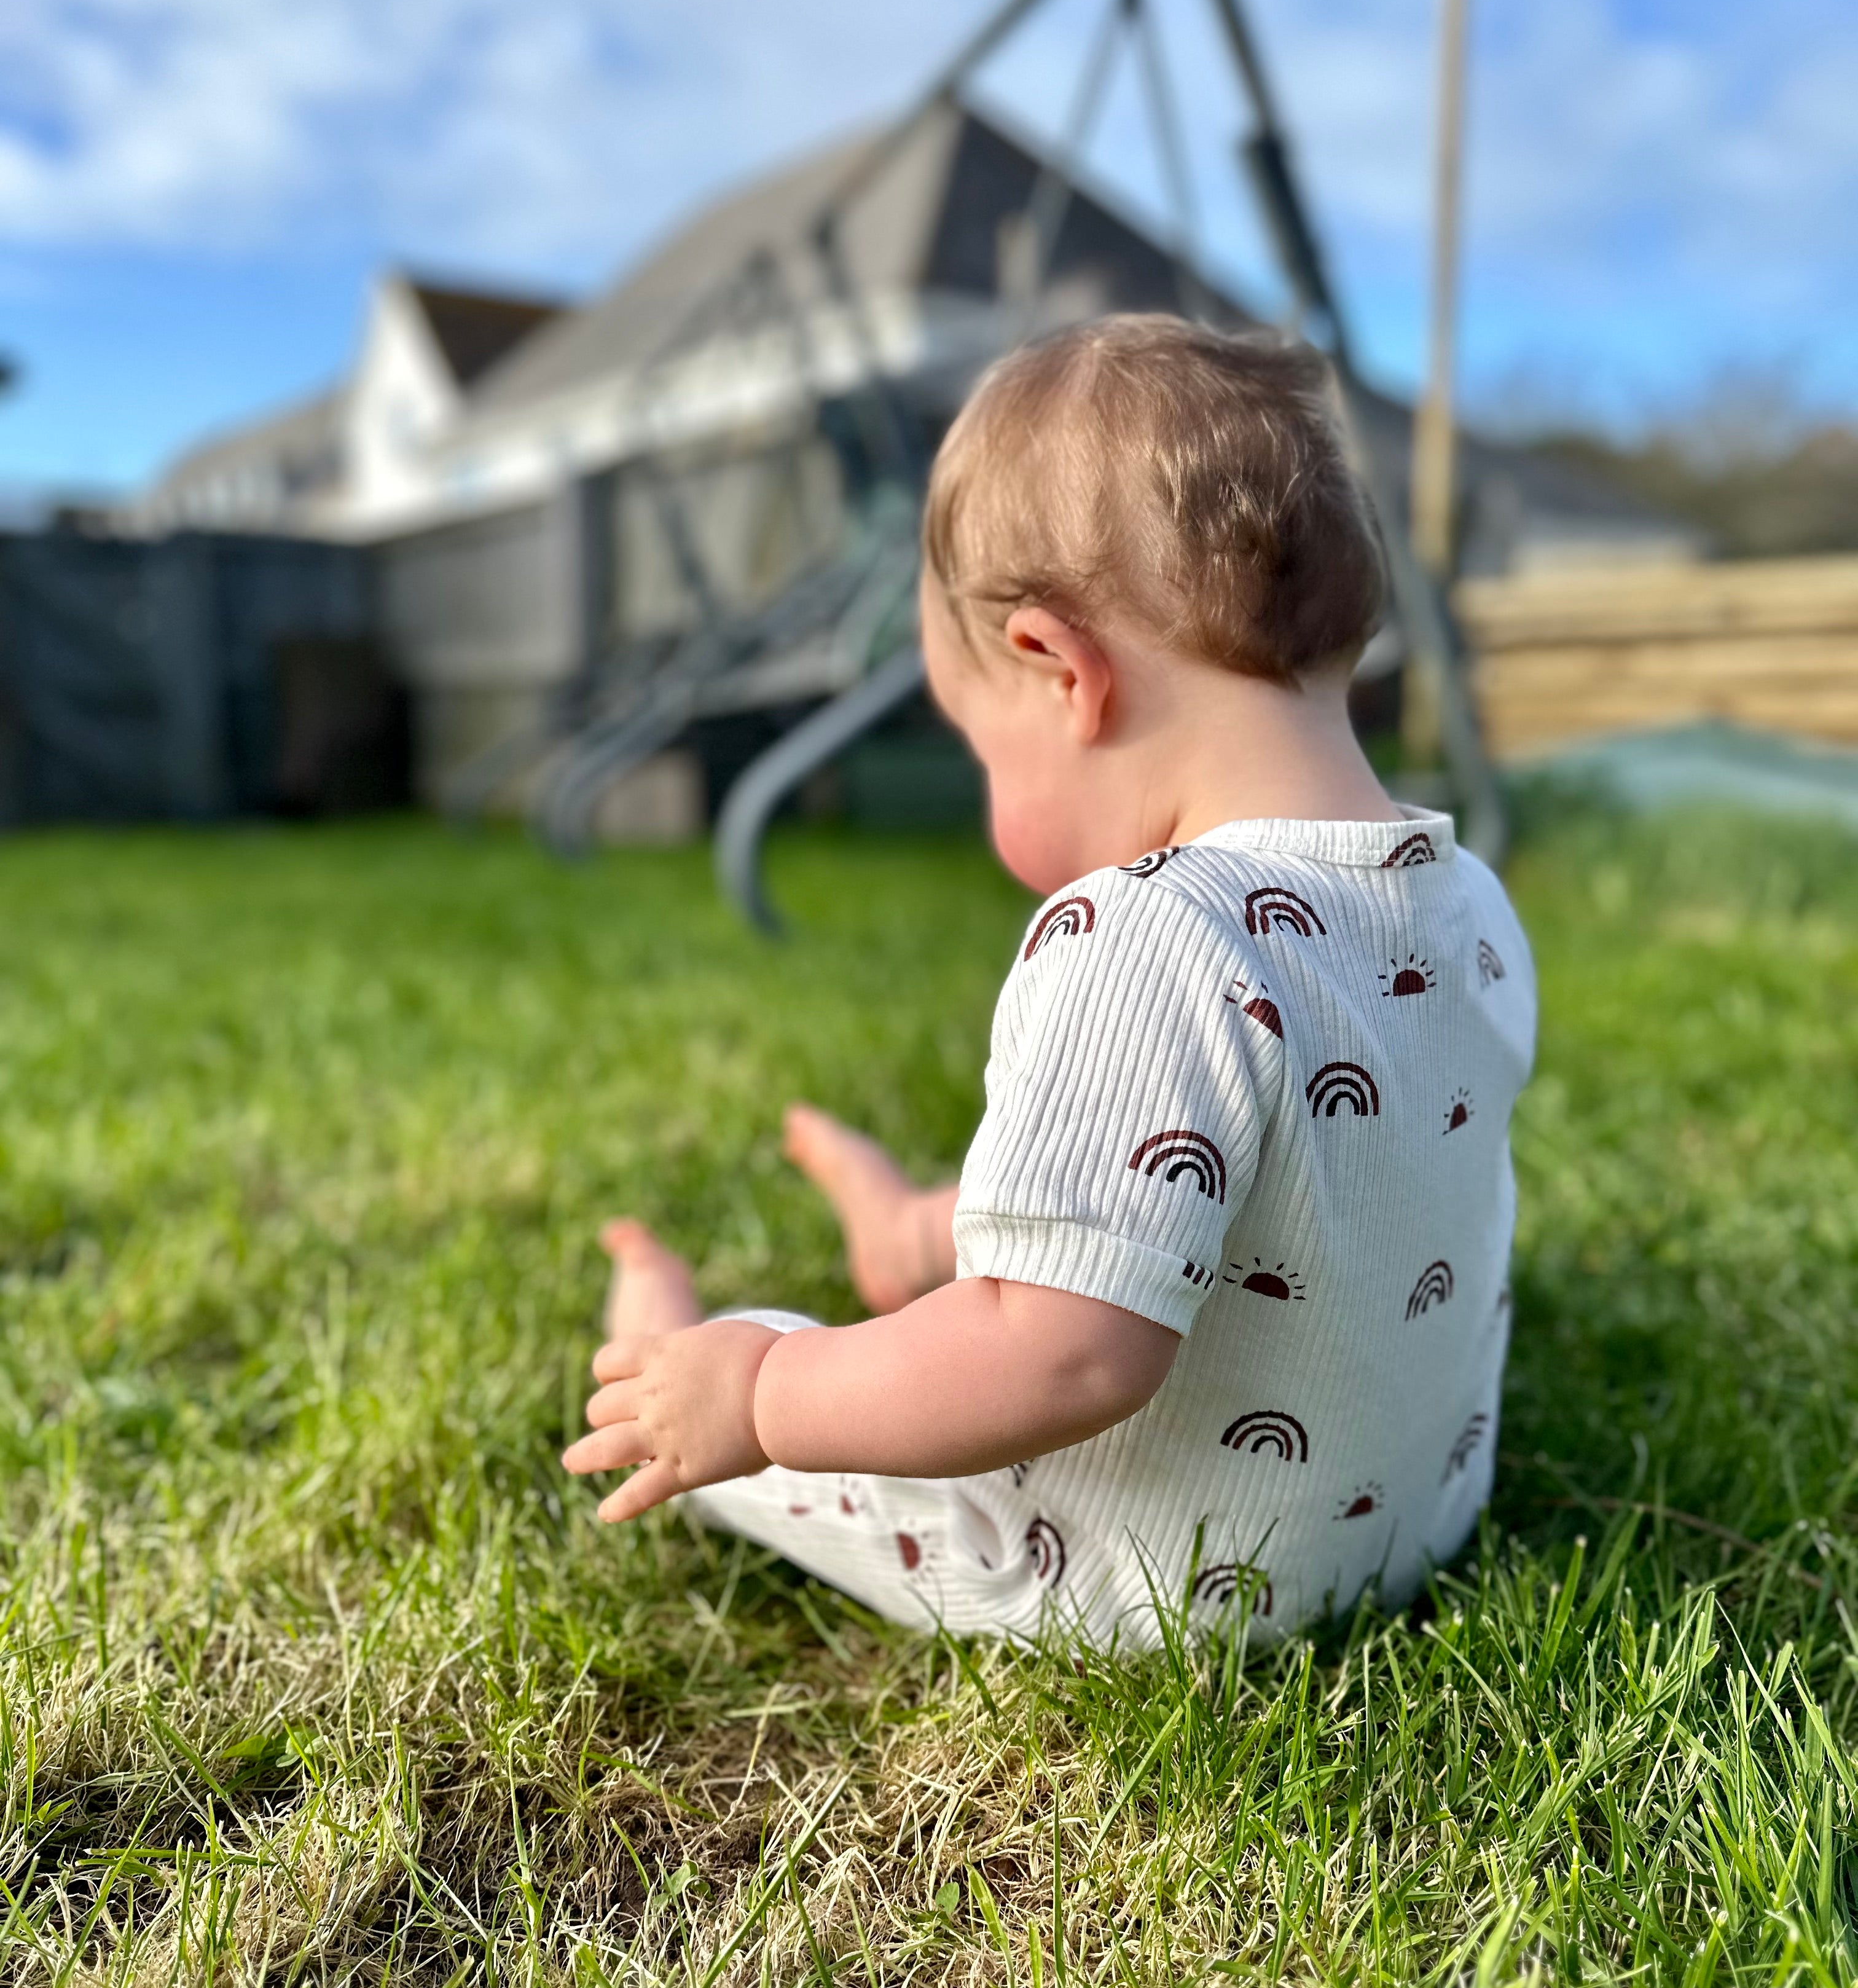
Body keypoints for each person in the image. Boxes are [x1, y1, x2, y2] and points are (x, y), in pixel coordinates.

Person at [563, 315, 1535, 1647]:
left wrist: (767, 1391)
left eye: (978, 749)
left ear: (1059, 672)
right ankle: (918, 1237)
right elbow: (1292, 1179)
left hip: (1154, 1582)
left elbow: (1065, 1356)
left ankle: (667, 1353)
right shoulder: (1464, 899)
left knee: (778, 1384)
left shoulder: (1151, 934)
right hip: (1415, 1519)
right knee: (1150, 1170)